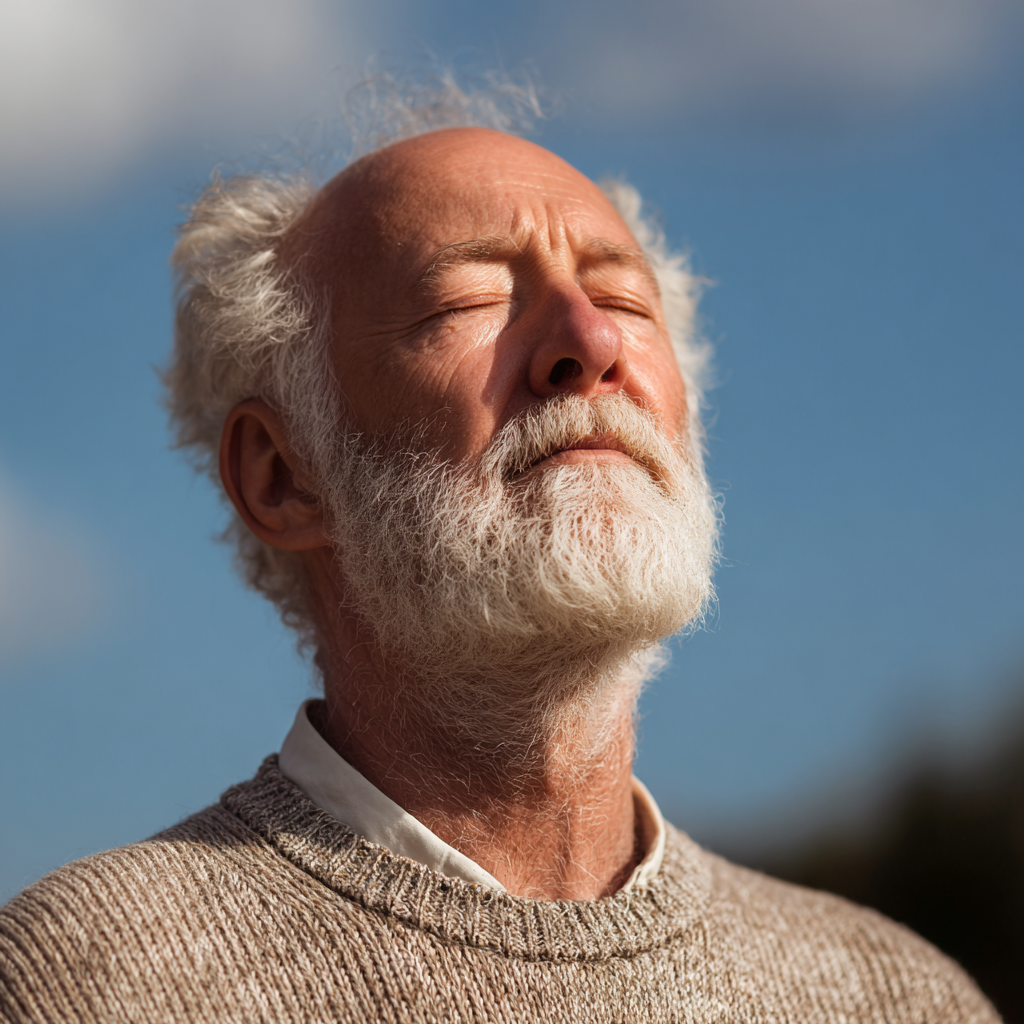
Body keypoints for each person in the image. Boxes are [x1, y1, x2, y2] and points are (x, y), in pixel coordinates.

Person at [0, 89, 1000, 1022]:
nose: (587, 339)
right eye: (470, 301)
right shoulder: (91, 983)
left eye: (627, 301)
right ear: (281, 474)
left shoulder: (896, 995)